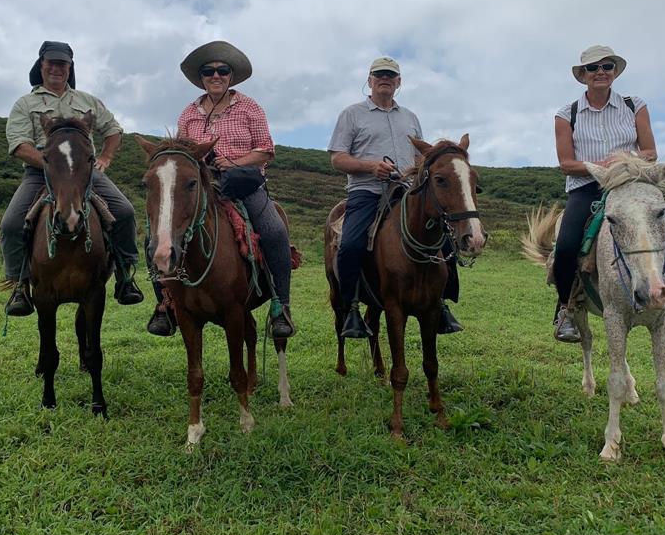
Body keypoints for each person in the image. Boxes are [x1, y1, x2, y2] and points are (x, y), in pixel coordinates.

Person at [552, 44, 665, 344]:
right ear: (582, 75)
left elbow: (650, 152)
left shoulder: (634, 104)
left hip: (632, 184)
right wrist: (603, 166)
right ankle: (567, 310)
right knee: (565, 248)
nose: (600, 72)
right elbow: (566, 163)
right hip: (588, 186)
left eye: (607, 66)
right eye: (593, 67)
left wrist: (625, 163)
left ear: (614, 72)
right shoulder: (566, 114)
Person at [146, 40, 295, 339]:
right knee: (154, 234)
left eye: (222, 70)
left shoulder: (250, 107)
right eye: (208, 71)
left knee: (274, 230)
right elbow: (182, 153)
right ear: (201, 77)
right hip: (200, 186)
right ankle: (165, 302)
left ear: (231, 76)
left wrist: (234, 162)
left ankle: (281, 305)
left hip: (243, 184)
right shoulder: (188, 113)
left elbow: (266, 150)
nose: (216, 76)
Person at [1, 41, 144, 316]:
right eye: (51, 63)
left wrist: (105, 158)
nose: (56, 68)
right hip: (40, 173)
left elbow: (113, 130)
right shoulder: (26, 103)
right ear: (41, 66)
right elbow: (18, 143)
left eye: (62, 64)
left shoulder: (87, 101)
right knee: (10, 225)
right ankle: (20, 286)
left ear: (70, 68)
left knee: (124, 211)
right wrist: (49, 162)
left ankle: (126, 275)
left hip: (83, 174)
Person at [328, 57, 463, 339]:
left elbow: (421, 159)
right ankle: (352, 307)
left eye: (391, 75)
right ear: (369, 80)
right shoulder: (352, 114)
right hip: (367, 191)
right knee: (351, 243)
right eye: (379, 75)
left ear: (399, 82)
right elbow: (337, 158)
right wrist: (371, 166)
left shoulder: (411, 118)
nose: (384, 79)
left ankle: (442, 304)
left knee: (444, 238)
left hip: (407, 191)